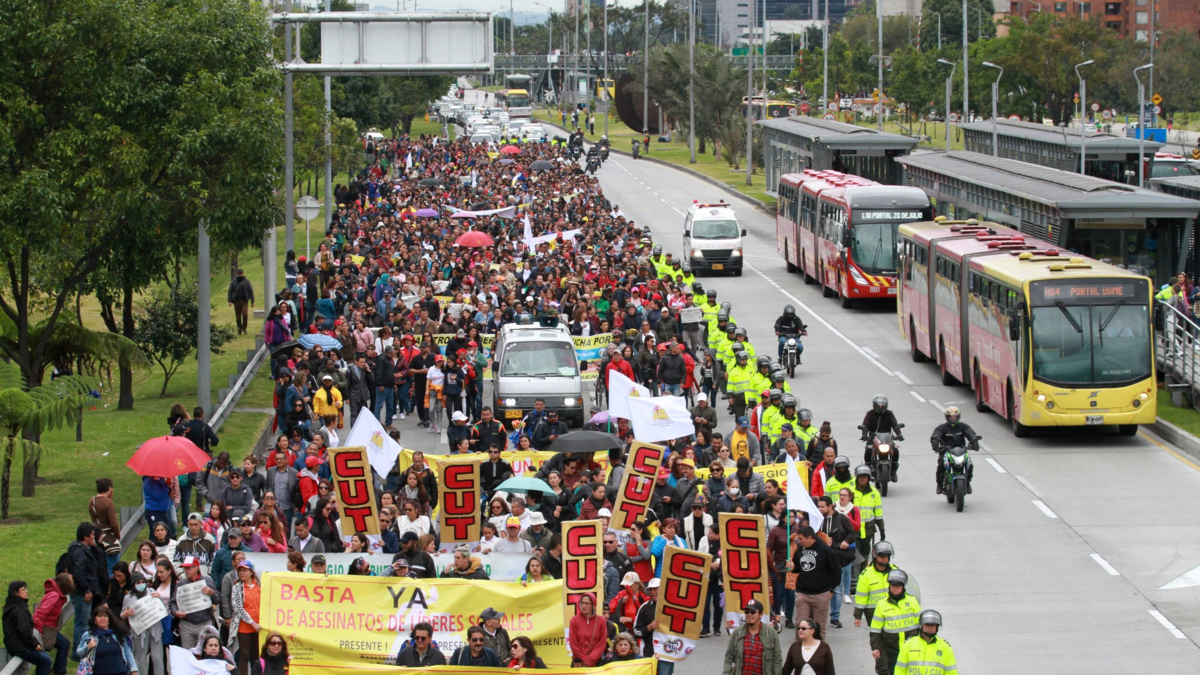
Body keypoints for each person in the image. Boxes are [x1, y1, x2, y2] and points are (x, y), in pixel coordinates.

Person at [788, 526, 842, 637]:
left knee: (818, 627)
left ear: (809, 538)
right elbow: (798, 567)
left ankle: (819, 648)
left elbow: (836, 571)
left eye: (801, 538)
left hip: (821, 593)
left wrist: (831, 590)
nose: (798, 541)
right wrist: (793, 567)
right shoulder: (800, 549)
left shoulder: (826, 550)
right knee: (801, 625)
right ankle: (800, 647)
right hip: (803, 593)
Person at [868, 570, 921, 675]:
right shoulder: (882, 604)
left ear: (903, 587)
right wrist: (875, 647)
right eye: (892, 585)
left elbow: (920, 625)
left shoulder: (912, 601)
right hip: (890, 650)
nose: (895, 588)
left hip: (910, 648)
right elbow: (875, 628)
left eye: (898, 586)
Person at [815, 497, 856, 629]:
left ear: (830, 506)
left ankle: (835, 617)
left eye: (822, 507)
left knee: (837, 588)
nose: (820, 509)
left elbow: (852, 533)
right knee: (820, 589)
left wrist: (846, 541)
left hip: (838, 558)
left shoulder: (842, 518)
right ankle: (818, 617)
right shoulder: (817, 519)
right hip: (821, 559)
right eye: (818, 507)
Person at [67, 523, 106, 660]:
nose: (94, 537)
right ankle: (78, 654)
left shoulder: (86, 549)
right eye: (93, 535)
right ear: (86, 536)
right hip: (81, 593)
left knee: (84, 623)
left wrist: (94, 546)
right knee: (82, 624)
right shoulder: (79, 551)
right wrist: (87, 590)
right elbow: (78, 573)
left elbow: (99, 559)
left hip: (84, 591)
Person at [4, 581, 57, 675]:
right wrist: (34, 645)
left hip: (15, 645)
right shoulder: (19, 610)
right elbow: (24, 631)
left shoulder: (11, 606)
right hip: (20, 647)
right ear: (16, 593)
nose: (26, 591)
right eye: (23, 589)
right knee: (46, 661)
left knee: (45, 657)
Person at [721, 599, 782, 675]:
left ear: (761, 614)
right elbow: (729, 656)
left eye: (753, 612)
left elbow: (777, 660)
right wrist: (726, 673)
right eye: (747, 612)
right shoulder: (737, 632)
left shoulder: (771, 633)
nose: (749, 614)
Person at [929, 406, 979, 494]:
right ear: (947, 417)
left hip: (961, 451)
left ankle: (967, 483)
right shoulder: (942, 427)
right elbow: (935, 436)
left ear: (958, 417)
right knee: (941, 465)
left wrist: (974, 443)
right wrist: (935, 445)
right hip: (946, 451)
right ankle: (939, 485)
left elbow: (971, 434)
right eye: (951, 417)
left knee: (970, 465)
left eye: (954, 417)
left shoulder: (963, 426)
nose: (953, 419)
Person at [74, 607, 137, 675]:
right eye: (99, 616)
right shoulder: (89, 635)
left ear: (109, 619)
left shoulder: (118, 633)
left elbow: (128, 652)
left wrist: (134, 670)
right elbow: (79, 653)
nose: (102, 618)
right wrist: (88, 646)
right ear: (95, 620)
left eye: (105, 616)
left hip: (120, 671)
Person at [175, 556, 219, 649]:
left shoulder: (207, 581)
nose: (186, 571)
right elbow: (173, 603)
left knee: (205, 651)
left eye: (188, 568)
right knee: (188, 654)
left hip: (204, 622)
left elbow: (217, 600)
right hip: (187, 624)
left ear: (196, 568)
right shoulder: (181, 584)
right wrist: (176, 612)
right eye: (185, 568)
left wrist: (212, 593)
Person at [895, 610, 955, 675]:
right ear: (921, 626)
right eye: (927, 624)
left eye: (933, 625)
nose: (930, 627)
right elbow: (900, 670)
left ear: (937, 627)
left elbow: (951, 672)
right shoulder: (908, 645)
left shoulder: (945, 647)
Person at [230, 560, 263, 675]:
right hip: (244, 627)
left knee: (256, 655)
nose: (242, 573)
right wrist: (252, 623)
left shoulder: (260, 585)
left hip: (259, 626)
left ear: (251, 572)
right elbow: (238, 608)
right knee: (244, 655)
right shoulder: (236, 587)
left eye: (245, 570)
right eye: (240, 571)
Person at [853, 541, 896, 629]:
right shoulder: (866, 575)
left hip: (893, 611)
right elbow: (861, 597)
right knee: (876, 636)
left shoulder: (895, 571)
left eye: (886, 556)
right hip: (873, 613)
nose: (884, 559)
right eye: (881, 556)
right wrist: (858, 616)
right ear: (875, 556)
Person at [860, 396, 903, 477]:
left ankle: (893, 471)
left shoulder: (889, 414)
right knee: (868, 450)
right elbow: (865, 425)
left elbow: (895, 425)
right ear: (874, 405)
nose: (880, 408)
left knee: (895, 450)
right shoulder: (870, 413)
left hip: (887, 438)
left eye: (882, 406)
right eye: (878, 406)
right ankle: (868, 468)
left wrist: (899, 434)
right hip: (873, 438)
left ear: (886, 406)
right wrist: (864, 435)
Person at [89, 478, 122, 574]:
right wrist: (117, 536)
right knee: (113, 568)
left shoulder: (92, 501)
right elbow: (114, 523)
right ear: (109, 488)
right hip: (109, 539)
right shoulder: (108, 503)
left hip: (96, 538)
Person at [567, 593, 607, 668]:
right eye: (582, 603)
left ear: (593, 605)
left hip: (596, 661)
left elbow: (602, 643)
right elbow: (573, 643)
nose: (583, 606)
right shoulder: (574, 620)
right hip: (578, 661)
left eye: (587, 603)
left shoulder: (601, 620)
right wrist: (586, 659)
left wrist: (592, 659)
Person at [227, 268, 255, 335]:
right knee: (238, 316)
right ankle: (239, 329)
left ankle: (244, 328)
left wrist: (252, 301)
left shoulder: (247, 282)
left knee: (245, 314)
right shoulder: (233, 282)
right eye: (239, 274)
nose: (240, 275)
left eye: (241, 273)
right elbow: (230, 292)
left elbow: (251, 291)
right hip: (236, 301)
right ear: (237, 274)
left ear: (243, 273)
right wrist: (229, 301)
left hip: (244, 301)